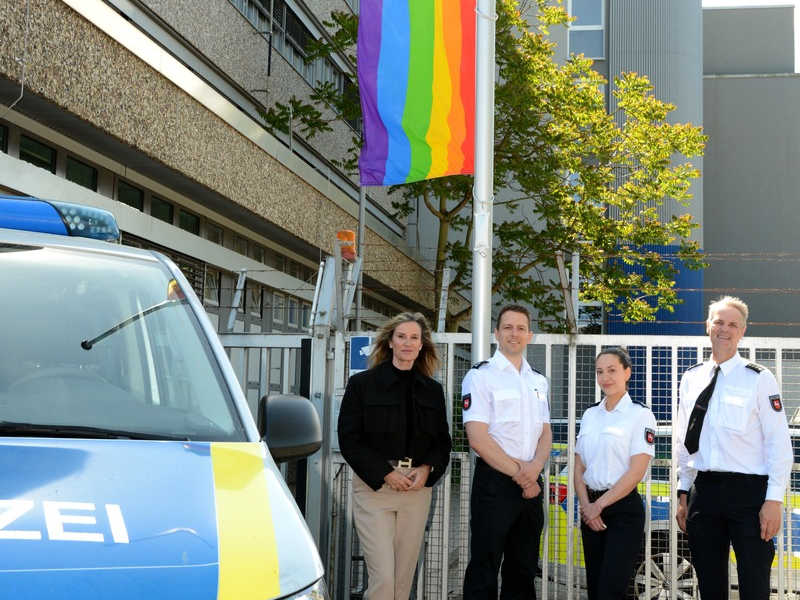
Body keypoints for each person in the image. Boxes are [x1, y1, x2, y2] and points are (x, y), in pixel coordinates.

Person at [675, 296, 793, 600]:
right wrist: (682, 491)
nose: (724, 329)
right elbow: (684, 439)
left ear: (742, 332)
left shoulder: (759, 378)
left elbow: (778, 443)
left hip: (749, 495)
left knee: (754, 586)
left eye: (732, 324)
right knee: (710, 585)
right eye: (718, 322)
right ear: (707, 326)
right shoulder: (691, 378)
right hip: (705, 491)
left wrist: (774, 500)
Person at [337, 312, 452, 600]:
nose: (407, 343)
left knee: (402, 580)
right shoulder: (362, 384)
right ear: (390, 342)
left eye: (414, 337)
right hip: (375, 489)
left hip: (416, 490)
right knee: (384, 578)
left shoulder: (433, 391)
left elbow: (442, 442)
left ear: (421, 345)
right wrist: (385, 473)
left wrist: (427, 469)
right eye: (401, 336)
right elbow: (350, 439)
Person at [461, 304, 552, 600]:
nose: (515, 334)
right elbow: (478, 438)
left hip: (531, 484)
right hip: (496, 485)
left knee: (523, 570)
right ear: (496, 333)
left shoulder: (538, 380)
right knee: (484, 568)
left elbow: (545, 432)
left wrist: (534, 470)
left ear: (530, 336)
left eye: (521, 328)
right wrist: (522, 476)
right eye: (508, 328)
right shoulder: (480, 376)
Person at [574, 347, 656, 600]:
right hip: (591, 512)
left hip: (623, 511)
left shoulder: (640, 415)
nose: (605, 377)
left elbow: (636, 471)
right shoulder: (590, 414)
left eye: (612, 370)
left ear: (627, 373)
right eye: (600, 372)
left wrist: (598, 505)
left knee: (612, 590)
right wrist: (588, 507)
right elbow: (579, 468)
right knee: (596, 587)